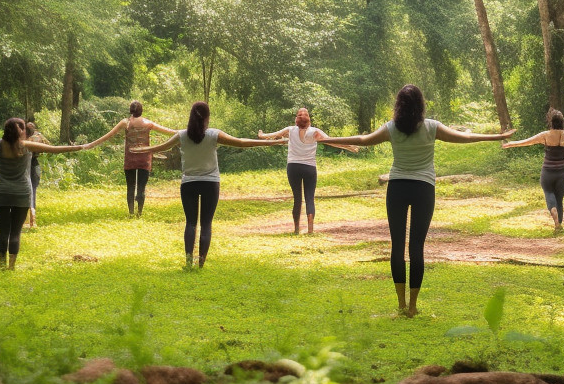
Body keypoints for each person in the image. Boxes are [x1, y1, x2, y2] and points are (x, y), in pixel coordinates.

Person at [317, 84, 512, 317]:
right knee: (417, 247)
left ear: (398, 105)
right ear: (421, 104)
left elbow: (362, 139)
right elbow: (466, 138)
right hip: (423, 189)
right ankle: (412, 307)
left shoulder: (391, 128)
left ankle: (400, 304)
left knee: (397, 247)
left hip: (397, 187)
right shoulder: (431, 127)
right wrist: (497, 136)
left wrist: (327, 139)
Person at [130, 101, 284, 269]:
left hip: (189, 183)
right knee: (206, 224)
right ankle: (201, 263)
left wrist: (140, 150)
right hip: (210, 183)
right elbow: (241, 142)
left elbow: (160, 147)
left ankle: (189, 262)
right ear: (207, 118)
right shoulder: (213, 135)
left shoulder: (181, 135)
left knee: (190, 223)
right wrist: (271, 142)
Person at [0, 118, 90, 269]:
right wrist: (82, 146)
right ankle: (11, 267)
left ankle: (2, 264)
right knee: (15, 233)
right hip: (22, 193)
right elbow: (56, 149)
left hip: (1, 193)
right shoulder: (26, 146)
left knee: (3, 231)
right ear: (22, 131)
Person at [258, 107, 360, 234]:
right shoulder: (315, 132)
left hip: (293, 167)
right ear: (309, 120)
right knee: (309, 197)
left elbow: (271, 136)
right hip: (309, 168)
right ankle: (310, 229)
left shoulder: (290, 130)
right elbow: (332, 141)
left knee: (297, 198)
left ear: (296, 120)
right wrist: (349, 147)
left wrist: (261, 135)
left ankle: (296, 229)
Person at [83, 101, 176, 217]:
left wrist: (89, 145)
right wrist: (190, 132)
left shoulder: (125, 123)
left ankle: (131, 213)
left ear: (130, 110)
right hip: (144, 159)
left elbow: (108, 135)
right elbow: (170, 132)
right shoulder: (148, 123)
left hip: (130, 159)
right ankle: (139, 213)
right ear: (141, 111)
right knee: (141, 187)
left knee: (130, 186)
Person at [25, 122, 46, 228]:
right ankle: (29, 218)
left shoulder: (37, 136)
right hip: (28, 164)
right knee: (30, 190)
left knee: (31, 190)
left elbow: (46, 146)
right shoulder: (38, 136)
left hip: (32, 164)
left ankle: (30, 218)